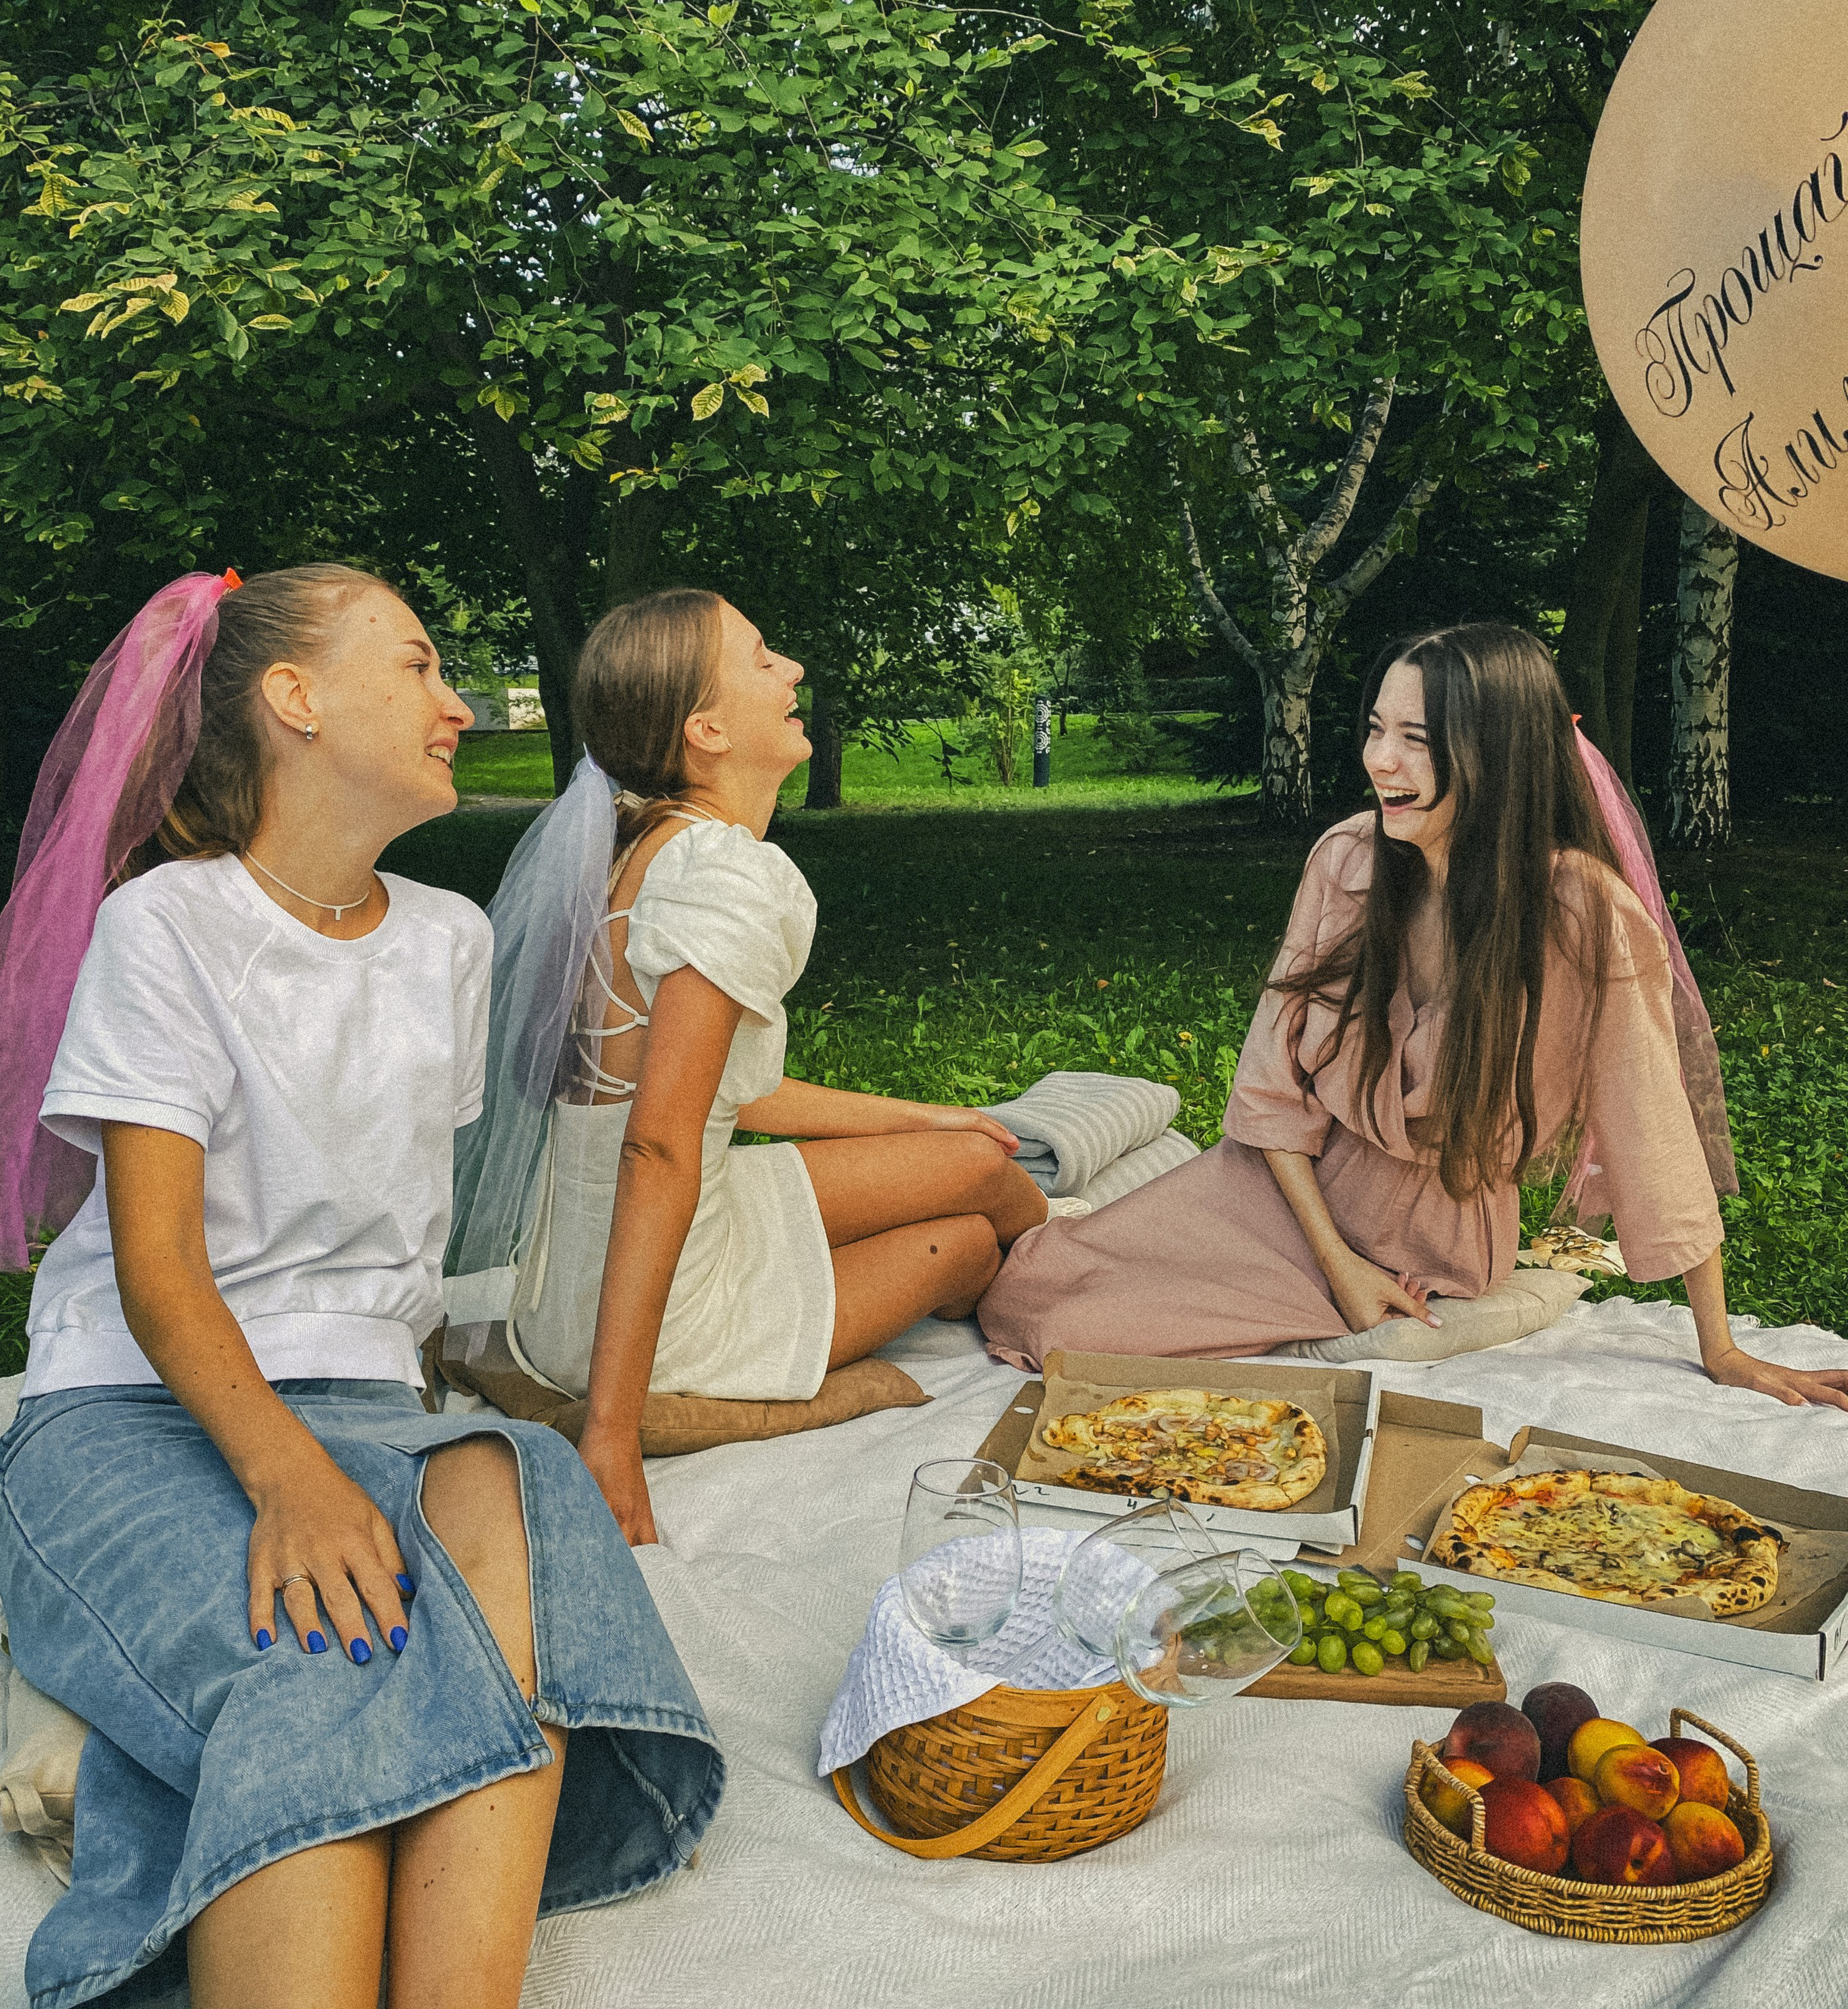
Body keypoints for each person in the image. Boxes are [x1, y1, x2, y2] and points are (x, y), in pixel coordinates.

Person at [0, 566, 723, 2009]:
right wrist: (290, 1478)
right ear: (292, 701)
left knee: (510, 1501)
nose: (459, 697)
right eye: (420, 660)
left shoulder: (441, 941)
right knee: (329, 1634)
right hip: (135, 1407)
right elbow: (155, 1267)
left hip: (359, 1401)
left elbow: (381, 1272)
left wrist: (482, 1415)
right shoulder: (170, 926)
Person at [980, 622, 1848, 1412]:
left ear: (1498, 755)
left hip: (1425, 1230)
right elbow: (1271, 1090)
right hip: (1279, 1185)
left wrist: (1723, 1348)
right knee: (1031, 1287)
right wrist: (1336, 1265)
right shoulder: (1347, 857)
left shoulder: (1583, 913)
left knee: (1072, 1332)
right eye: (1374, 729)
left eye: (1416, 740)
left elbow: (1652, 1134)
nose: (1379, 762)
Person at [451, 589, 1049, 1546]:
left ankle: (1068, 1259)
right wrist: (611, 1430)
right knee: (972, 1240)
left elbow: (719, 1087)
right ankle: (1074, 1291)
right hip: (663, 1313)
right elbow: (656, 1147)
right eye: (763, 656)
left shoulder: (643, 848)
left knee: (979, 1164)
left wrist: (927, 1115)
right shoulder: (724, 874)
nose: (793, 671)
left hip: (583, 1280)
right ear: (707, 730)